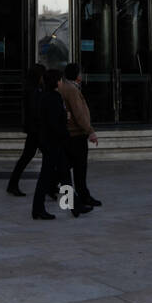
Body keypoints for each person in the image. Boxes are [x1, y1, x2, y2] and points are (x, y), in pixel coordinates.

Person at [34, 70, 89, 219]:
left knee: (65, 176)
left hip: (51, 142)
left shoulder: (45, 96)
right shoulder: (53, 97)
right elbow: (54, 122)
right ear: (55, 82)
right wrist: (65, 117)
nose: (61, 82)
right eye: (59, 80)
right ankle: (38, 208)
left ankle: (74, 206)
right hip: (53, 143)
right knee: (46, 177)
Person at [59, 63, 101, 209]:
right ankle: (82, 197)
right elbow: (79, 113)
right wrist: (90, 131)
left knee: (66, 168)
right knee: (79, 168)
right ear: (76, 74)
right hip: (76, 135)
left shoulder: (65, 87)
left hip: (70, 134)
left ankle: (71, 196)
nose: (81, 75)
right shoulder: (72, 90)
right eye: (80, 72)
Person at [7, 64, 45, 197]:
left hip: (34, 129)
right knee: (31, 157)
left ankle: (13, 184)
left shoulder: (33, 88)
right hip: (36, 130)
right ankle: (13, 184)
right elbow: (35, 111)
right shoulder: (34, 90)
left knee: (27, 157)